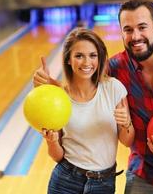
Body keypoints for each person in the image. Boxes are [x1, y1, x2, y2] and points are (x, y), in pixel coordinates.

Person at [34, 0, 153, 194]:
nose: (135, 36)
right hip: (145, 172)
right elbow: (83, 83)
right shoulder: (115, 69)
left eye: (142, 27)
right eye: (128, 29)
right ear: (121, 33)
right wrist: (52, 86)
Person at [40, 28, 135, 194]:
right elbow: (57, 156)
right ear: (68, 59)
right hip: (65, 181)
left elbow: (127, 141)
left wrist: (127, 123)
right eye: (79, 56)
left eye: (93, 55)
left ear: (99, 58)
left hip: (103, 184)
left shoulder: (113, 88)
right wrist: (52, 141)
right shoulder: (60, 98)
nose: (86, 63)